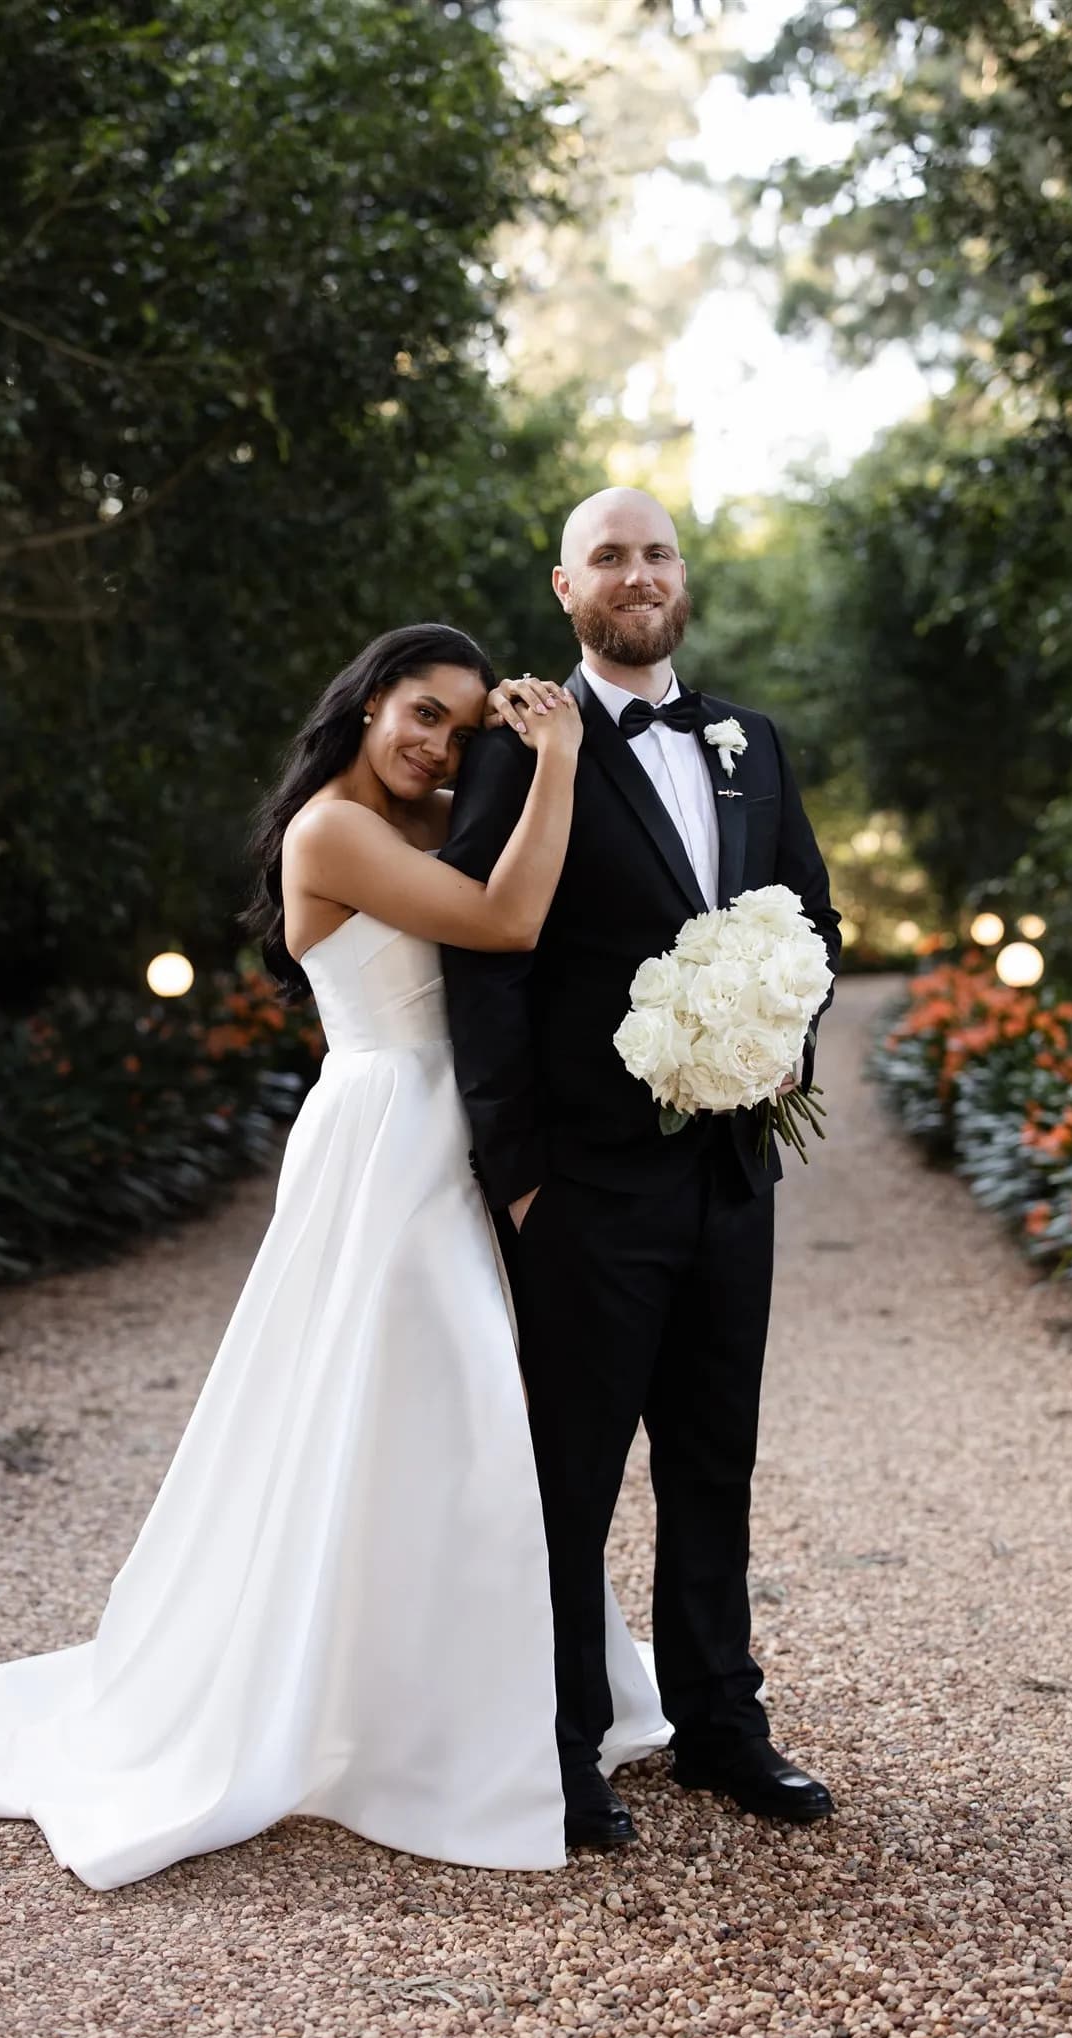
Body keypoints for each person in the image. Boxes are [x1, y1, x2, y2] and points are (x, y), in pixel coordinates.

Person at [0, 622, 667, 1891]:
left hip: (446, 1136)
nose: (440, 745)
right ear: (365, 704)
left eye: (464, 729)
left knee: (443, 1426)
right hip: (386, 1144)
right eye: (421, 712)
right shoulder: (332, 832)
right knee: (447, 1408)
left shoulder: (428, 814)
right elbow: (510, 919)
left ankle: (471, 1698)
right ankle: (425, 1729)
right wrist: (559, 754)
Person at [442, 490, 843, 1850]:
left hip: (732, 1175)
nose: (637, 574)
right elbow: (485, 960)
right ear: (565, 589)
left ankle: (723, 1727)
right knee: (572, 1477)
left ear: (683, 574)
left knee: (713, 1461)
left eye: (655, 552)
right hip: (585, 1186)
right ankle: (556, 1749)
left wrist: (788, 1036)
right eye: (608, 556)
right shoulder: (518, 745)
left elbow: (812, 920)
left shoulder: (752, 742)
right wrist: (520, 1172)